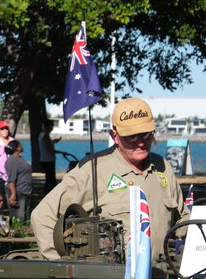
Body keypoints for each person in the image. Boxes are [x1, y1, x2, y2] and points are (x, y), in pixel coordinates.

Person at [32, 97, 189, 262]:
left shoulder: (162, 166)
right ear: (115, 136)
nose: (141, 142)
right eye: (132, 137)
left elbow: (182, 219)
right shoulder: (92, 170)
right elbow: (43, 216)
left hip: (160, 277)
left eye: (146, 134)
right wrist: (61, 266)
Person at [3, 140, 33, 222]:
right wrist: (13, 195)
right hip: (19, 192)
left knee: (26, 217)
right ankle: (16, 233)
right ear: (17, 148)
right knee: (19, 218)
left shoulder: (19, 158)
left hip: (26, 191)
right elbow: (11, 180)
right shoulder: (12, 160)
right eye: (20, 144)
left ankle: (24, 233)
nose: (22, 146)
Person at [37, 119, 57, 193]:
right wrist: (62, 152)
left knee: (49, 179)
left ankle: (48, 192)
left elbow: (47, 144)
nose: (52, 128)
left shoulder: (42, 135)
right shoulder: (45, 136)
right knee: (50, 180)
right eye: (52, 126)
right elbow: (49, 149)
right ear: (48, 126)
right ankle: (48, 193)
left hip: (44, 159)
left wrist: (53, 141)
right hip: (48, 160)